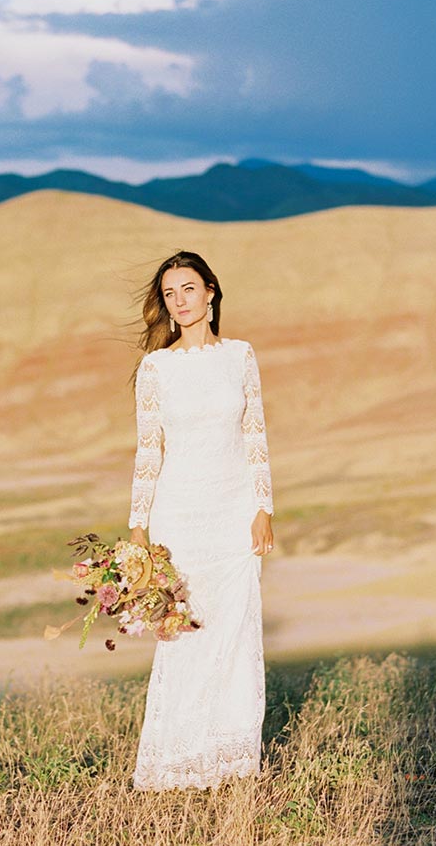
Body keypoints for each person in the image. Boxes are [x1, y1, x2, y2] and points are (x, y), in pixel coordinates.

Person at [126, 249, 275, 791]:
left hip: (235, 512)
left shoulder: (240, 355)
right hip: (179, 514)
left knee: (235, 631)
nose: (180, 302)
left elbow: (254, 432)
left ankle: (231, 761)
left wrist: (264, 506)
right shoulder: (156, 367)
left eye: (188, 289)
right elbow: (149, 451)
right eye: (170, 294)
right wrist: (139, 525)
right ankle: (176, 764)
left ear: (211, 291)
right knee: (184, 634)